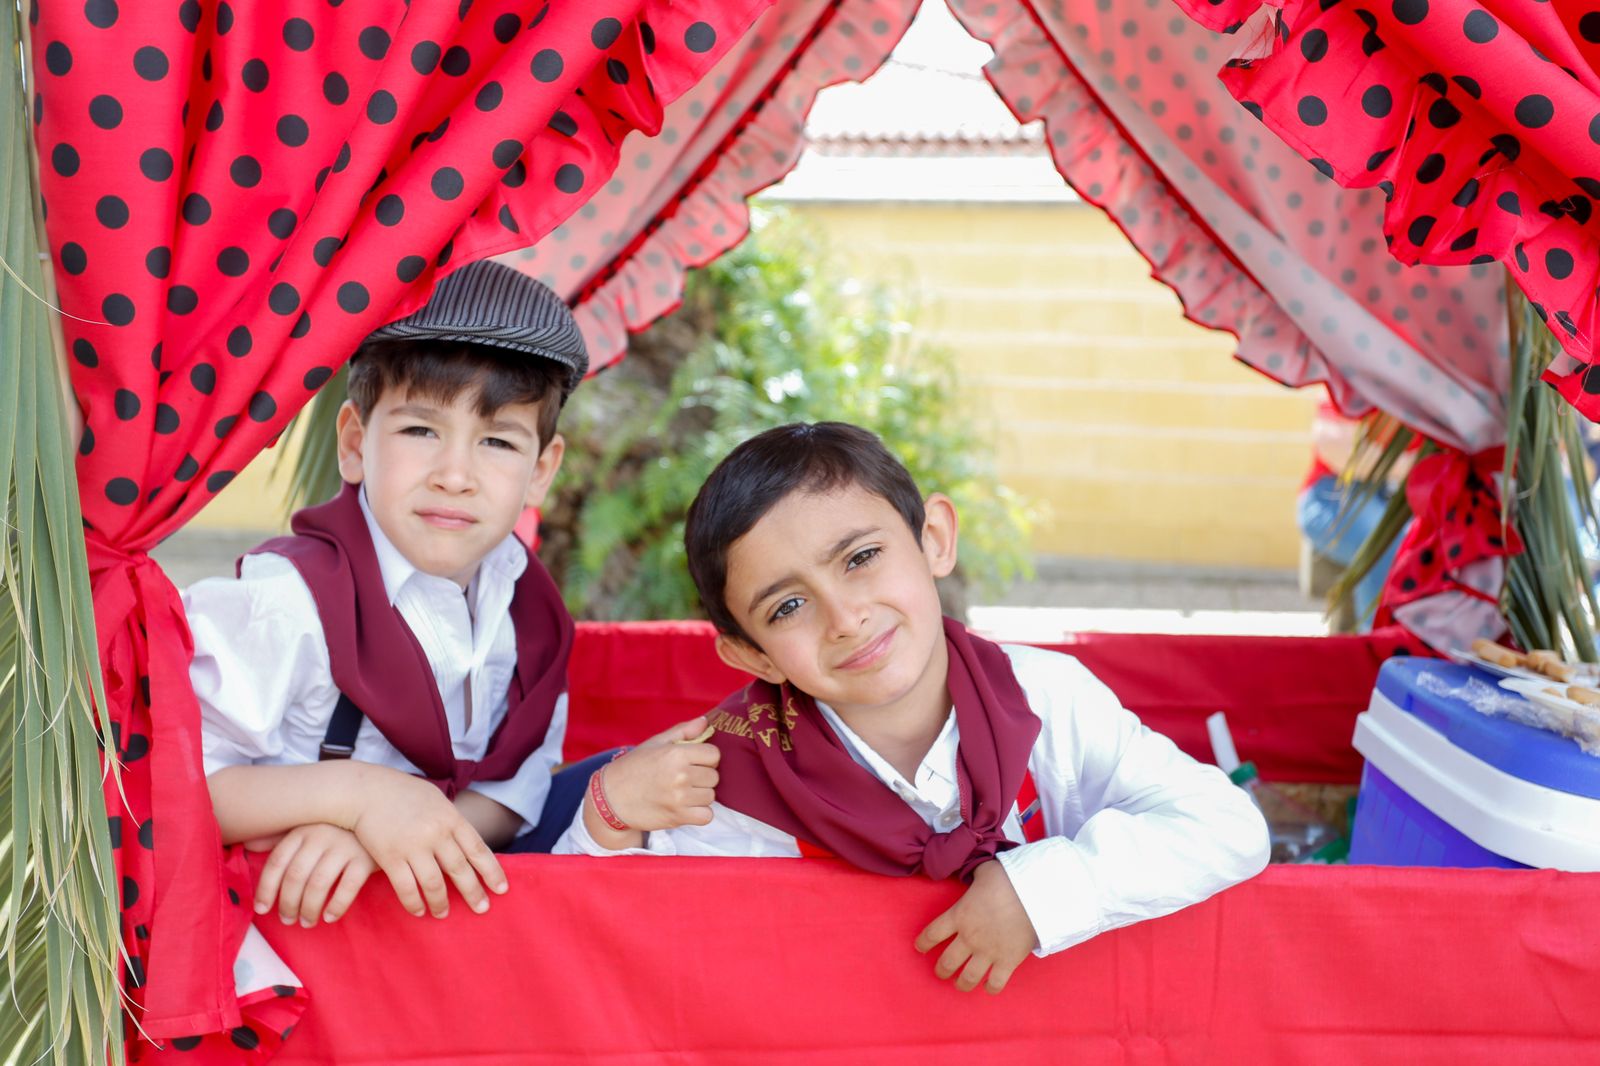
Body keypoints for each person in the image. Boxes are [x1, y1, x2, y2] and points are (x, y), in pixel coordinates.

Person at [557, 422, 1269, 993]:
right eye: (790, 605)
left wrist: (1042, 892)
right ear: (755, 657)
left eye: (861, 558)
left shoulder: (1046, 696)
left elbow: (1228, 826)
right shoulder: (725, 779)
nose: (845, 617)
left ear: (934, 539)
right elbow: (606, 957)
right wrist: (608, 816)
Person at [188, 260, 715, 930]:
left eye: (497, 441)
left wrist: (385, 835)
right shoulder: (285, 603)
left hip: (425, 942)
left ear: (540, 472)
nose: (456, 475)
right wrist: (360, 799)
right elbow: (175, 784)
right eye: (420, 431)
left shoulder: (529, 618)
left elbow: (512, 794)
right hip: (283, 942)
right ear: (354, 444)